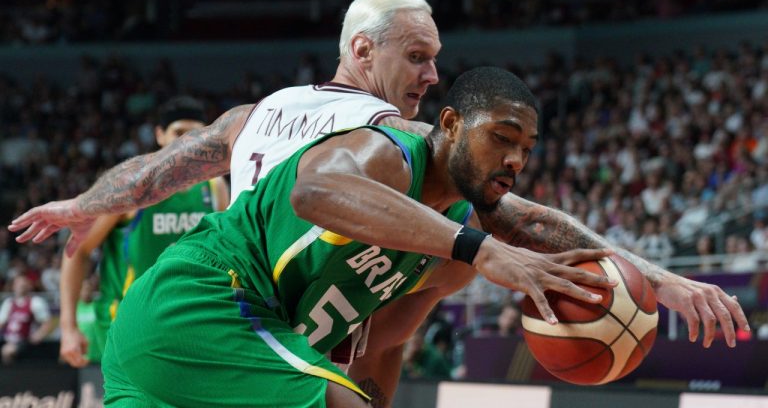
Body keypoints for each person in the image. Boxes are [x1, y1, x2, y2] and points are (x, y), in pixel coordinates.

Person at [8, 0, 748, 385]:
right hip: (228, 299)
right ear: (363, 50)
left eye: (435, 60)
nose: (430, 75)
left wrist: (85, 202)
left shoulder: (256, 115)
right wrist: (653, 277)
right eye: (418, 57)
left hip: (258, 320)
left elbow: (151, 175)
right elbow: (508, 219)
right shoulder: (395, 140)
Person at [100, 67, 615, 407]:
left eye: (526, 149)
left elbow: (384, 349)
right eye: (501, 138)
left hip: (178, 354)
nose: (514, 160)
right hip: (203, 299)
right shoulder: (387, 153)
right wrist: (477, 247)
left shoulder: (448, 261)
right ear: (452, 125)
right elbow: (314, 192)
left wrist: (659, 284)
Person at [58, 96, 229, 368]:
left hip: (189, 324)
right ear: (160, 135)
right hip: (128, 322)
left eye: (196, 133)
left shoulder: (214, 187)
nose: (188, 142)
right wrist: (68, 327)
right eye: (179, 133)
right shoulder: (130, 186)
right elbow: (77, 249)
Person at [0, 275, 55, 364]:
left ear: (29, 286)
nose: (21, 286)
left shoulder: (35, 302)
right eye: (18, 284)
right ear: (13, 286)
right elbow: (1, 323)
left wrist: (38, 336)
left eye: (23, 284)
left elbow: (47, 323)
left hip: (26, 343)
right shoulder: (8, 303)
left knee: (9, 352)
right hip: (9, 341)